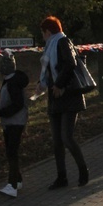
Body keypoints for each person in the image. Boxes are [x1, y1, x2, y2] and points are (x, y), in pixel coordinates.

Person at [35, 16, 90, 189]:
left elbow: (70, 64)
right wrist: (41, 84)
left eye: (43, 33)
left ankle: (83, 171)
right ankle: (61, 177)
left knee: (67, 137)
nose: (42, 36)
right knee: (57, 140)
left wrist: (59, 84)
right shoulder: (50, 45)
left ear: (48, 32)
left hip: (69, 95)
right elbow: (49, 70)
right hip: (55, 96)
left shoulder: (62, 42)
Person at [0, 50, 29, 198]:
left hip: (15, 122)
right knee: (10, 151)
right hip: (11, 122)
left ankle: (12, 185)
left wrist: (1, 112)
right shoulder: (9, 81)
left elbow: (17, 104)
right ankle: (18, 179)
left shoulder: (13, 83)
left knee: (12, 152)